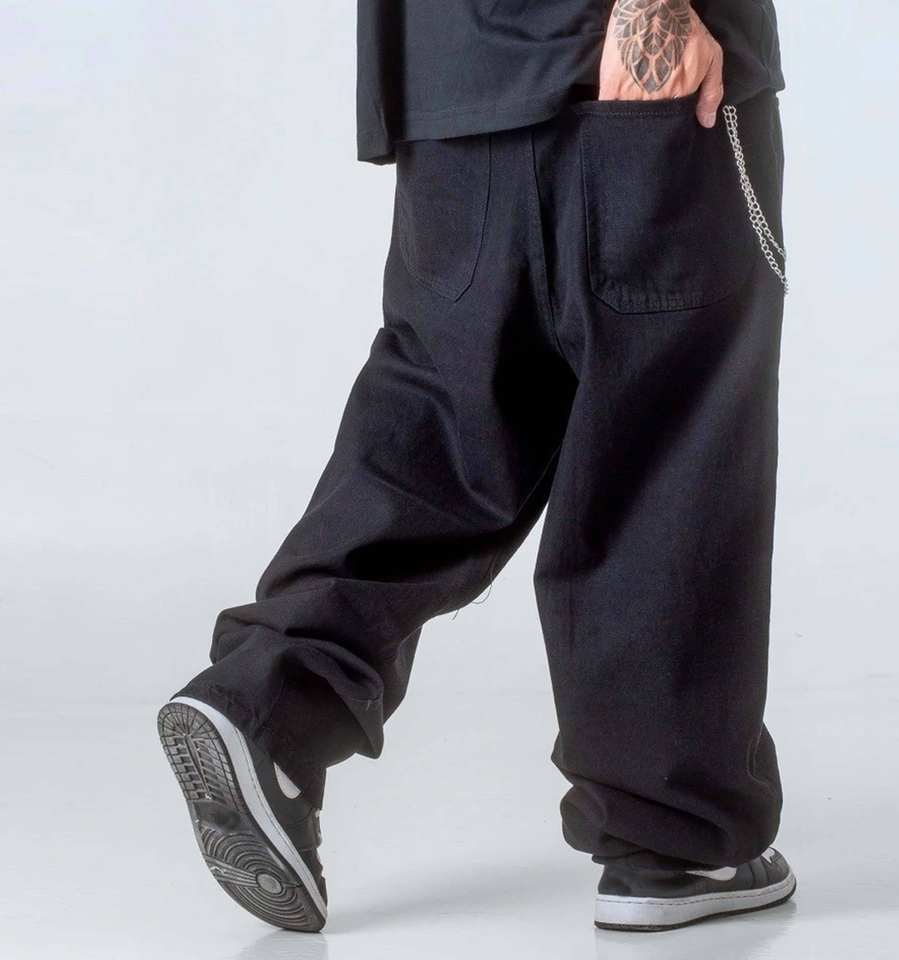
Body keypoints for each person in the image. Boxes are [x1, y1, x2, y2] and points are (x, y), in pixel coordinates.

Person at [158, 0, 795, 934]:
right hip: (632, 64)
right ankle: (675, 839)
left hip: (450, 87)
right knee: (664, 444)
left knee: (445, 432)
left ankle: (269, 707)